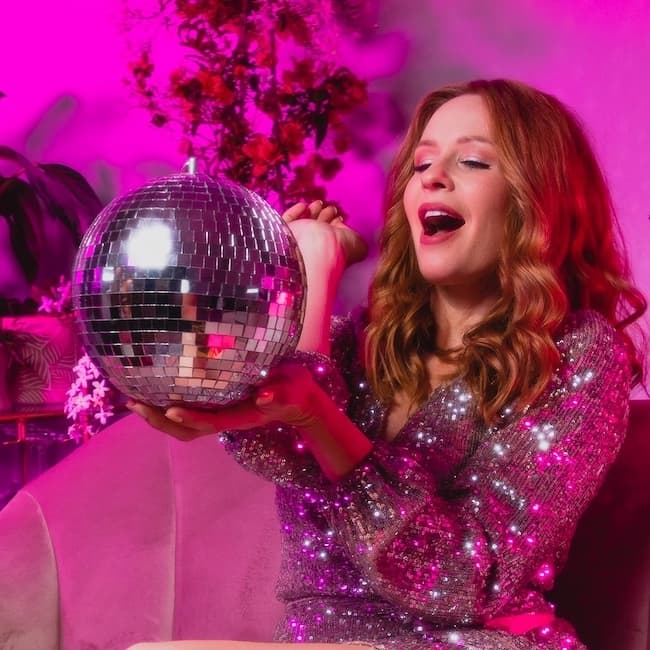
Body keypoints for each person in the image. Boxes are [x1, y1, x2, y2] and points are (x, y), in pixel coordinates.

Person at [125, 79, 646, 650]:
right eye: (421, 162)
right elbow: (282, 438)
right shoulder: (361, 343)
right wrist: (311, 273)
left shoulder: (577, 352)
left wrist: (322, 420)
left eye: (472, 160)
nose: (432, 175)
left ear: (537, 198)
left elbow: (465, 582)